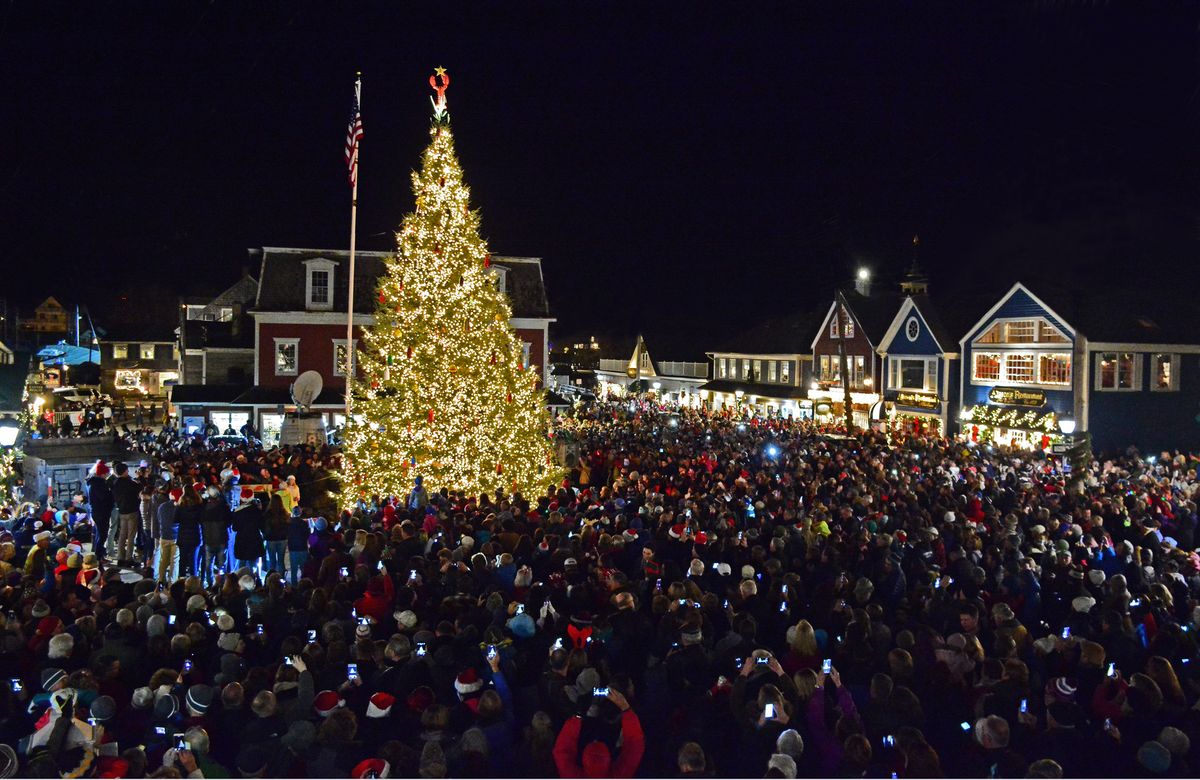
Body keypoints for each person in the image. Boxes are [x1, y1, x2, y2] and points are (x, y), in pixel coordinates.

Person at [110, 461, 142, 566]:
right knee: (131, 535)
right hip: (132, 510)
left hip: (121, 511)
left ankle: (120, 557)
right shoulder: (130, 483)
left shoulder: (115, 483)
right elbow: (140, 488)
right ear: (124, 471)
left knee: (122, 535)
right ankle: (129, 558)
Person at [85, 460, 114, 562]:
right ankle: (98, 557)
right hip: (101, 512)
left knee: (100, 534)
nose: (107, 475)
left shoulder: (92, 483)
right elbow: (104, 497)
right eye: (106, 473)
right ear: (102, 473)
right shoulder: (99, 484)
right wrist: (111, 494)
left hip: (97, 511)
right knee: (102, 535)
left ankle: (99, 556)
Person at [232, 487, 264, 573]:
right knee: (253, 564)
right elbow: (261, 525)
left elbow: (234, 528)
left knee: (242, 563)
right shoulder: (256, 510)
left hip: (242, 540)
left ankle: (240, 580)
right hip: (254, 539)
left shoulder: (237, 511)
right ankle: (253, 580)